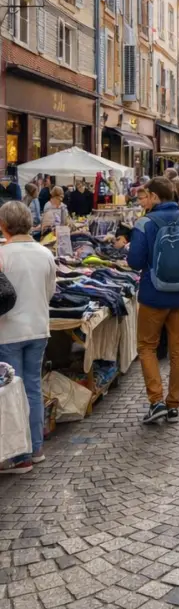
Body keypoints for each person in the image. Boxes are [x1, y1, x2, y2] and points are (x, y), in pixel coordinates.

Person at [128, 177, 179, 424]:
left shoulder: (145, 223)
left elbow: (134, 262)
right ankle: (173, 404)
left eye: (145, 196)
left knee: (147, 346)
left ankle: (156, 401)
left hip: (153, 295)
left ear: (154, 196)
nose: (143, 200)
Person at [0, 202, 56, 473]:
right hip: (38, 327)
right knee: (32, 388)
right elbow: (50, 291)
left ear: (3, 225)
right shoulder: (44, 253)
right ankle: (35, 449)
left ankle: (19, 455)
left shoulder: (3, 255)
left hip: (9, 330)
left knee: (12, 392)